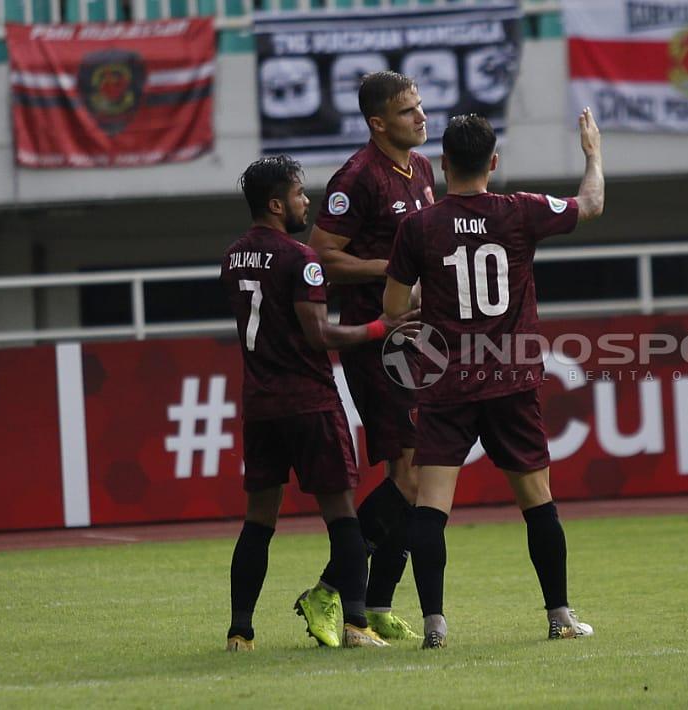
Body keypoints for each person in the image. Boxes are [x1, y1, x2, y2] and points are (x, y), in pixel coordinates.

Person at [382, 110, 605, 649]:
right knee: (537, 500)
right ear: (494, 163)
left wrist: (425, 297)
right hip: (511, 379)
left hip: (446, 384)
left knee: (432, 504)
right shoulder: (520, 211)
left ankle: (434, 625)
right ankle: (559, 616)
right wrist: (592, 154)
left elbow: (392, 311)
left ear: (442, 164)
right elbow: (592, 204)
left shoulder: (418, 226)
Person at [220, 155, 420, 651]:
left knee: (258, 521)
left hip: (260, 405)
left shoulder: (233, 256)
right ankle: (354, 622)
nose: (305, 201)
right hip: (309, 402)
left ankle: (240, 632)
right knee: (343, 518)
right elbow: (319, 333)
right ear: (275, 203)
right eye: (298, 193)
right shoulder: (300, 258)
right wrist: (381, 328)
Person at [297, 71, 435, 644]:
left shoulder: (422, 170)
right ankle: (330, 592)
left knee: (419, 474)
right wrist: (392, 268)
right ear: (377, 123)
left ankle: (376, 604)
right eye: (408, 112)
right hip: (376, 342)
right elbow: (321, 255)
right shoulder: (356, 178)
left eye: (421, 106)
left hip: (418, 341)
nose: (422, 118)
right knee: (408, 479)